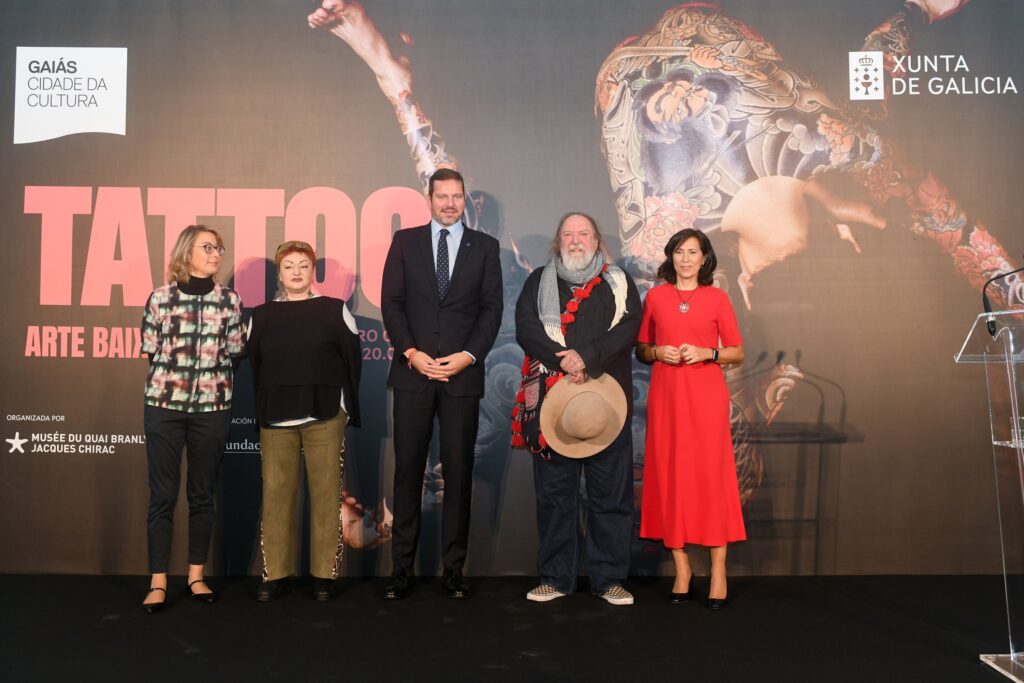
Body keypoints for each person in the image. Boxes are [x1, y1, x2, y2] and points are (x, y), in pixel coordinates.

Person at [379, 168, 503, 599]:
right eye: (442, 196)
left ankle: (453, 569)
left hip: (461, 377)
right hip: (413, 373)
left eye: (456, 196)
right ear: (428, 199)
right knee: (408, 472)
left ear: (464, 199)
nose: (450, 203)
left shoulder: (484, 247)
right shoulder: (405, 242)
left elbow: (491, 310)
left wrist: (467, 356)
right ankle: (401, 570)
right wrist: (412, 353)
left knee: (459, 472)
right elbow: (392, 303)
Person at [513, 212, 642, 605]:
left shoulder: (618, 282)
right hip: (553, 406)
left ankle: (610, 580)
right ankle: (555, 578)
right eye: (567, 234)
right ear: (558, 241)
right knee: (555, 497)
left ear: (597, 240)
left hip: (608, 407)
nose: (575, 240)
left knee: (611, 498)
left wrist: (585, 357)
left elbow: (628, 330)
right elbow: (527, 329)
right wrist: (564, 360)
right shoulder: (538, 281)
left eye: (583, 233)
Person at [636, 228, 745, 609]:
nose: (686, 259)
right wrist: (656, 352)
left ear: (704, 259)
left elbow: (736, 352)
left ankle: (718, 571)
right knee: (671, 477)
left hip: (705, 397)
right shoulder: (655, 297)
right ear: (671, 256)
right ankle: (682, 570)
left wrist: (708, 353)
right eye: (680, 252)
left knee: (710, 478)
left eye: (693, 252)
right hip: (667, 397)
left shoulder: (717, 299)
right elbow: (642, 348)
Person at [247, 241, 361, 602]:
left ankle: (324, 575)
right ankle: (276, 574)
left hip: (324, 413)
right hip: (275, 415)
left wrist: (345, 407)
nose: (296, 272)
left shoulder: (335, 310)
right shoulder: (261, 315)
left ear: (313, 271)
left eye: (303, 266)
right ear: (279, 274)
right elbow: (256, 366)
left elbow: (352, 362)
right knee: (276, 497)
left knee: (326, 496)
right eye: (289, 266)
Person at [139, 225, 244, 614]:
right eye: (208, 247)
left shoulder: (230, 300)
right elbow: (151, 349)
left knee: (202, 494)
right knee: (163, 495)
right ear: (187, 252)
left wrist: (208, 382)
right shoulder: (160, 298)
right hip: (164, 408)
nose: (216, 253)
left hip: (212, 410)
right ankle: (158, 581)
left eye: (219, 248)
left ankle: (196, 576)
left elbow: (235, 351)